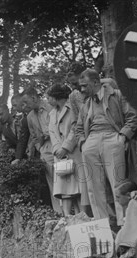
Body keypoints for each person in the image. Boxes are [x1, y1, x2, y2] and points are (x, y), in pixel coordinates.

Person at [75, 68, 137, 228]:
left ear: (96, 82)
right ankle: (101, 225)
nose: (82, 89)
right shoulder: (86, 103)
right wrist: (83, 142)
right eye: (81, 86)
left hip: (112, 137)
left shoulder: (116, 95)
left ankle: (123, 224)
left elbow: (133, 117)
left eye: (85, 85)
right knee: (93, 186)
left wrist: (123, 136)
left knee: (118, 183)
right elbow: (77, 127)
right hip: (91, 142)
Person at [47, 83, 81, 216]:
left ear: (55, 97)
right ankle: (66, 216)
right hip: (60, 156)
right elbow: (52, 133)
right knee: (63, 188)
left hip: (73, 152)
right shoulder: (52, 113)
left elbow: (76, 128)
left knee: (77, 188)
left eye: (49, 97)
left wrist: (66, 147)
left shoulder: (72, 108)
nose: (48, 100)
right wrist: (57, 149)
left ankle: (81, 216)